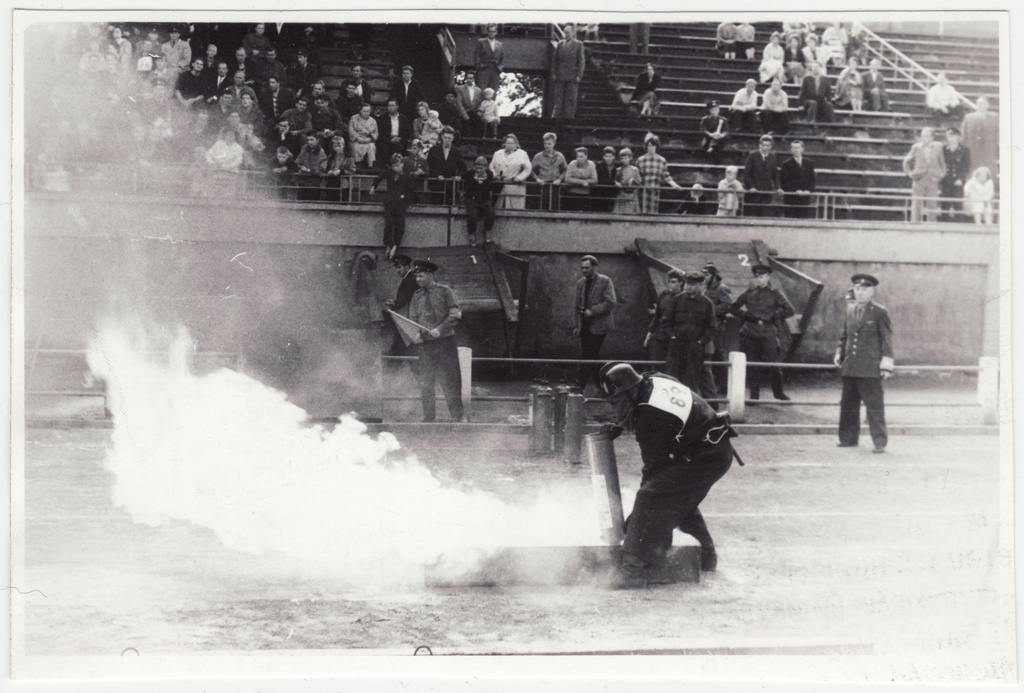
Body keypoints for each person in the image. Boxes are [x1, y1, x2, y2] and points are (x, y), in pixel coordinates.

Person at [597, 362, 737, 587]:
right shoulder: (653, 378)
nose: (615, 409)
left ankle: (634, 570)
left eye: (616, 402)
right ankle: (706, 558)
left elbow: (654, 473)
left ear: (631, 392)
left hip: (706, 457)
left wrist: (633, 524)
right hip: (713, 446)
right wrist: (621, 423)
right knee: (678, 498)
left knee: (653, 496)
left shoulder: (651, 418)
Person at [834, 273, 894, 453]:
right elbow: (845, 336)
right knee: (848, 406)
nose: (859, 293)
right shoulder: (850, 310)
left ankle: (879, 442)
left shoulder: (879, 312)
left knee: (874, 407)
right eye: (857, 289)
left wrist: (886, 364)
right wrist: (839, 351)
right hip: (851, 366)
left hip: (870, 369)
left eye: (864, 289)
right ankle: (848, 439)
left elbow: (886, 339)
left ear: (872, 292)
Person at [407, 259, 467, 423]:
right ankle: (428, 417)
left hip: (445, 343)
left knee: (450, 380)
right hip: (425, 346)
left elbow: (455, 313)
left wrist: (440, 329)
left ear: (430, 275)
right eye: (416, 277)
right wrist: (416, 333)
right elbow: (412, 318)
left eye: (421, 276)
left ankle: (457, 416)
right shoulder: (416, 296)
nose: (418, 280)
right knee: (426, 382)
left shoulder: (444, 291)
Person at [728, 264, 794, 401]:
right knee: (752, 364)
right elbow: (733, 308)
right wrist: (746, 315)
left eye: (762, 276)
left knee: (773, 363)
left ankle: (778, 393)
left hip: (768, 332)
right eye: (757, 277)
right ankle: (754, 395)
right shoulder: (749, 293)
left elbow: (789, 310)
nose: (759, 279)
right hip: (750, 332)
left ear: (768, 277)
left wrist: (774, 316)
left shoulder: (774, 294)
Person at [665, 271, 718, 398]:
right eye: (687, 283)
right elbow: (666, 321)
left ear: (700, 285)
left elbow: (712, 327)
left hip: (694, 348)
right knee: (672, 378)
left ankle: (692, 408)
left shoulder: (707, 303)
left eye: (693, 284)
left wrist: (701, 342)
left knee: (691, 379)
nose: (689, 286)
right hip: (676, 346)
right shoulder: (676, 300)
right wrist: (671, 336)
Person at [574, 255, 617, 393]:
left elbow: (611, 301)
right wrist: (576, 325)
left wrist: (592, 312)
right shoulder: (580, 283)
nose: (584, 270)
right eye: (582, 268)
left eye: (587, 267)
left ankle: (579, 387)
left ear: (594, 267)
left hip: (599, 326)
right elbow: (576, 305)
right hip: (584, 326)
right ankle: (603, 387)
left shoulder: (605, 281)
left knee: (587, 355)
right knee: (592, 357)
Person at [371, 154, 418, 259]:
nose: (395, 168)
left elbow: (412, 191)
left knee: (399, 226)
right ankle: (389, 244)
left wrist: (404, 196)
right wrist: (374, 187)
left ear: (402, 164)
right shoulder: (389, 173)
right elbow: (378, 177)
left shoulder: (407, 176)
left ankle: (395, 246)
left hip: (401, 204)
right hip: (390, 203)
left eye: (397, 165)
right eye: (393, 166)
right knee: (388, 225)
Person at [381, 253, 420, 374]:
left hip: (408, 322)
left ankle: (389, 380)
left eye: (399, 267)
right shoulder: (408, 279)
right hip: (406, 321)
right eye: (396, 267)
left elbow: (404, 301)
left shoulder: (410, 280)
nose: (397, 270)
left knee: (400, 350)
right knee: (407, 351)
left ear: (407, 266)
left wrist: (393, 304)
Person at [902, 127, 947, 223]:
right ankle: (915, 223)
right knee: (917, 202)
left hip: (933, 178)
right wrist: (909, 173)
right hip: (919, 177)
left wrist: (942, 174)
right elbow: (906, 161)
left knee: (932, 202)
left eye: (927, 136)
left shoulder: (938, 146)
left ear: (932, 137)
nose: (924, 138)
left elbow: (942, 162)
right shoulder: (916, 147)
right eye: (923, 136)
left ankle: (931, 224)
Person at [701, 263, 733, 396]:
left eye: (707, 274)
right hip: (708, 326)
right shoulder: (706, 289)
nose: (705, 277)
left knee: (718, 354)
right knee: (710, 354)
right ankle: (713, 384)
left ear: (714, 275)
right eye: (704, 274)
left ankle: (724, 384)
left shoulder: (721, 288)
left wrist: (711, 313)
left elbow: (727, 305)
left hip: (717, 326)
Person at [644, 269, 684, 366]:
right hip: (660, 337)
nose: (670, 284)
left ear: (680, 283)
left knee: (672, 367)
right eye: (669, 282)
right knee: (657, 364)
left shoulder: (684, 298)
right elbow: (657, 317)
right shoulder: (664, 295)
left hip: (674, 338)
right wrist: (648, 337)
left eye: (673, 282)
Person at [636, 135, 684, 214]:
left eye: (653, 145)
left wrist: (675, 185)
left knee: (653, 213)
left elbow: (666, 176)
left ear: (656, 146)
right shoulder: (640, 160)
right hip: (643, 190)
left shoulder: (661, 160)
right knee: (642, 212)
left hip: (655, 190)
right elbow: (637, 176)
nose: (650, 148)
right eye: (649, 146)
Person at [550, 24, 586, 119]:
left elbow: (581, 61)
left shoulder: (578, 45)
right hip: (560, 75)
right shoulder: (560, 44)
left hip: (572, 76)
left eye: (568, 33)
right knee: (559, 97)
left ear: (573, 33)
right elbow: (555, 60)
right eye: (565, 33)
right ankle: (558, 116)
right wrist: (553, 73)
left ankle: (569, 117)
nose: (566, 35)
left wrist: (579, 75)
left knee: (571, 98)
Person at [742, 135, 781, 217]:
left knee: (764, 214)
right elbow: (747, 173)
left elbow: (775, 174)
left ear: (771, 147)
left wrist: (778, 187)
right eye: (764, 145)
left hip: (766, 192)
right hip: (753, 192)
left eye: (768, 146)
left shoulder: (772, 157)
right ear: (760, 145)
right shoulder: (753, 155)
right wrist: (751, 187)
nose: (766, 147)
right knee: (752, 214)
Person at [426, 126, 466, 206]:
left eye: (449, 138)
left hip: (450, 185)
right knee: (435, 207)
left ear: (453, 138)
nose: (447, 140)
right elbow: (430, 165)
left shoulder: (457, 151)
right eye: (445, 137)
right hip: (436, 184)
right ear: (441, 137)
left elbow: (463, 168)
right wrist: (437, 175)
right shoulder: (433, 150)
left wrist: (459, 176)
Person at [489, 133, 531, 210]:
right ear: (504, 143)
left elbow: (528, 169)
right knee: (497, 206)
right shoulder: (497, 153)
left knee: (514, 208)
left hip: (514, 184)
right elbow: (491, 166)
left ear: (516, 144)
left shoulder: (522, 154)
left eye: (512, 143)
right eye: (507, 143)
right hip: (500, 183)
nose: (509, 145)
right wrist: (495, 175)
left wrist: (519, 178)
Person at [462, 156, 496, 245]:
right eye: (477, 167)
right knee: (472, 215)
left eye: (481, 167)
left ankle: (487, 230)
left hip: (484, 199)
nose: (479, 169)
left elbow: (490, 187)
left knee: (491, 213)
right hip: (471, 199)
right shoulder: (469, 174)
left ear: (485, 167)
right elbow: (464, 180)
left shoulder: (489, 174)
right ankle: (472, 233)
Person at [961, 96, 998, 178]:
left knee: (989, 167)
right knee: (973, 168)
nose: (981, 105)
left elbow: (998, 132)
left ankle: (990, 185)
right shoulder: (969, 117)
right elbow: (964, 134)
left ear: (988, 105)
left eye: (983, 103)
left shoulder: (995, 117)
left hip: (989, 147)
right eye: (979, 104)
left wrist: (995, 145)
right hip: (973, 147)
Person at [940, 128, 971, 222]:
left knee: (958, 205)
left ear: (958, 137)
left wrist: (961, 179)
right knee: (944, 204)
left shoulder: (965, 150)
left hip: (958, 180)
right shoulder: (943, 149)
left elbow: (966, 166)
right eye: (949, 136)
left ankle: (959, 226)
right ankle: (943, 226)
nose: (951, 138)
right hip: (945, 180)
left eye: (953, 136)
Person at [779, 140, 817, 219]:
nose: (796, 150)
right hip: (791, 198)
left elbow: (812, 179)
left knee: (803, 219)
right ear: (791, 150)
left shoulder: (809, 163)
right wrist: (795, 190)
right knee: (791, 219)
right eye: (794, 148)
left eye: (798, 148)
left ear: (802, 149)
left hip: (805, 197)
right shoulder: (786, 164)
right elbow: (784, 182)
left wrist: (808, 190)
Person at [531, 132, 567, 211]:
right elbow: (531, 170)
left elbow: (565, 169)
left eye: (549, 144)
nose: (547, 146)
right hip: (543, 185)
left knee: (555, 208)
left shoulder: (560, 156)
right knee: (542, 207)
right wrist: (537, 179)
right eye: (545, 144)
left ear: (554, 143)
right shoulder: (538, 156)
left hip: (555, 186)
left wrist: (560, 179)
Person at [377, 97, 412, 165]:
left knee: (399, 147)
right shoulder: (382, 119)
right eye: (389, 105)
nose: (391, 107)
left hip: (400, 140)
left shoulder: (403, 118)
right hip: (387, 141)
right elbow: (380, 134)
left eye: (393, 105)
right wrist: (390, 140)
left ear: (397, 107)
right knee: (384, 147)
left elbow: (407, 132)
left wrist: (400, 138)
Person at [562, 146, 598, 212]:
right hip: (571, 193)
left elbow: (594, 180)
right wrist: (582, 182)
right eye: (577, 156)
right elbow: (567, 179)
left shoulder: (591, 165)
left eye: (581, 157)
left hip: (585, 194)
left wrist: (587, 182)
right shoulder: (572, 164)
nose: (579, 158)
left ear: (586, 156)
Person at [322, 134, 355, 202]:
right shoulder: (330, 157)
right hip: (331, 182)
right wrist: (329, 171)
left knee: (342, 201)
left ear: (343, 145)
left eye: (339, 146)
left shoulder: (349, 157)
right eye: (335, 146)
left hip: (344, 184)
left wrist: (341, 172)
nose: (337, 148)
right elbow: (325, 167)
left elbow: (352, 170)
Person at [474, 24, 504, 93]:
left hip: (495, 70)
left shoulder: (499, 44)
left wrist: (500, 68)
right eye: (490, 31)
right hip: (483, 69)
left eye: (493, 31)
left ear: (496, 32)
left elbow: (502, 57)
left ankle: (491, 104)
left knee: (493, 91)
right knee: (481, 90)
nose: (492, 33)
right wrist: (479, 66)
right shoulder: (481, 42)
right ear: (487, 32)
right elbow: (476, 55)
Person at [348, 102, 379, 169]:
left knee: (371, 146)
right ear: (360, 111)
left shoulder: (373, 121)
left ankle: (371, 165)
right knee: (356, 147)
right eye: (364, 111)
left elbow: (376, 133)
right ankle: (357, 163)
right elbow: (350, 130)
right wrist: (357, 137)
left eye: (368, 111)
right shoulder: (354, 118)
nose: (366, 113)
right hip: (357, 139)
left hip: (367, 139)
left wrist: (370, 138)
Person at [613, 148, 642, 214]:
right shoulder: (618, 170)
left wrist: (633, 180)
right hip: (621, 195)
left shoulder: (635, 170)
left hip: (632, 195)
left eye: (626, 158)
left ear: (630, 158)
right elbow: (615, 181)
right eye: (622, 158)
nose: (624, 160)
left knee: (632, 214)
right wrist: (617, 183)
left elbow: (639, 182)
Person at [456, 71, 485, 137]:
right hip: (464, 112)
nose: (469, 80)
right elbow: (459, 103)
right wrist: (464, 116)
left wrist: (479, 111)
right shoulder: (460, 88)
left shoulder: (478, 90)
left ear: (474, 79)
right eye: (468, 78)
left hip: (475, 113)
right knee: (466, 127)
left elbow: (480, 103)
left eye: (471, 78)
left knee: (480, 125)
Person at [700, 100, 729, 164]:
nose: (714, 112)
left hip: (719, 139)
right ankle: (713, 148)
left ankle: (712, 148)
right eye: (712, 110)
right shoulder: (705, 119)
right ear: (710, 111)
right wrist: (710, 134)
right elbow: (703, 130)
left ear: (719, 110)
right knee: (715, 145)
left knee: (717, 143)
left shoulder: (723, 120)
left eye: (716, 110)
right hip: (708, 139)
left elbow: (726, 131)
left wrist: (722, 135)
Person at [593, 146, 620, 213]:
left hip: (610, 195)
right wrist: (614, 183)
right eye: (606, 156)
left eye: (610, 156)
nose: (608, 158)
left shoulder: (614, 169)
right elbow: (599, 180)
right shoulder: (599, 166)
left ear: (613, 157)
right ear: (603, 157)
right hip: (600, 195)